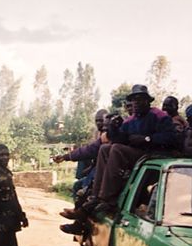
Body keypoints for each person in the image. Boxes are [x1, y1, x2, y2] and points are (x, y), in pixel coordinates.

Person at [69, 84, 176, 216]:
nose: (136, 102)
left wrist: (147, 139)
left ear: (148, 101)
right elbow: (119, 138)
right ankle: (95, 196)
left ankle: (108, 197)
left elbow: (171, 137)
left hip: (154, 154)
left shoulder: (159, 116)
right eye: (134, 99)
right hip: (136, 154)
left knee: (116, 149)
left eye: (140, 99)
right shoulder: (130, 121)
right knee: (105, 148)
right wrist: (114, 128)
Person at [54, 110, 108, 234]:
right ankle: (78, 219)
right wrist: (66, 156)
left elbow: (92, 151)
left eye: (102, 120)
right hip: (99, 168)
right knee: (78, 185)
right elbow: (90, 151)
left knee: (85, 190)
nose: (100, 123)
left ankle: (80, 221)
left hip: (108, 171)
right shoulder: (99, 134)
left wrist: (67, 156)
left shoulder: (110, 134)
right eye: (97, 120)